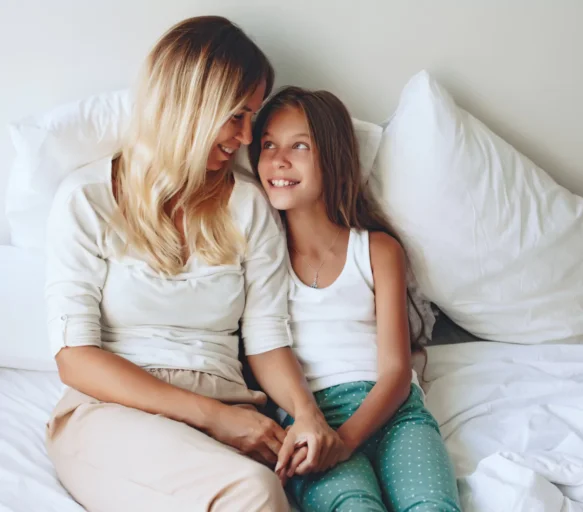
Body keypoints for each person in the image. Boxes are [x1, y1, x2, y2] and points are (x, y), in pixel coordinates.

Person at [44, 16, 343, 511]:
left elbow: (267, 339)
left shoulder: (248, 207)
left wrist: (308, 415)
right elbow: (75, 357)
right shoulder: (87, 199)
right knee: (251, 492)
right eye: (236, 116)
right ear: (189, 105)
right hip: (111, 412)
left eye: (253, 118)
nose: (247, 138)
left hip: (231, 410)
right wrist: (214, 418)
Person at [251, 87, 461, 511]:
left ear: (333, 158)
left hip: (394, 413)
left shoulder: (378, 250)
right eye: (268, 145)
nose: (278, 159)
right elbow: (261, 348)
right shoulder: (259, 258)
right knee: (354, 505)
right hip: (310, 418)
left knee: (432, 507)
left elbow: (397, 372)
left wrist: (345, 442)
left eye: (300, 146)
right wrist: (321, 433)